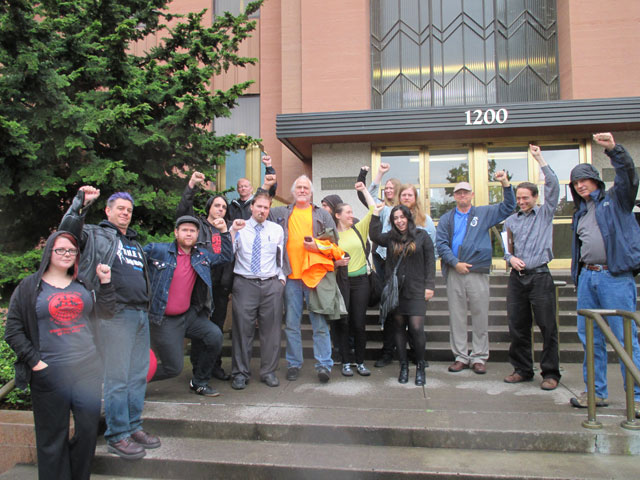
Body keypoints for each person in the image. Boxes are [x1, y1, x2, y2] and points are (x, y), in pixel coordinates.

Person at [59, 187, 159, 460]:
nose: (125, 213)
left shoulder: (135, 244)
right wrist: (80, 204)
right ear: (108, 211)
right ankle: (117, 434)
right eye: (120, 209)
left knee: (137, 374)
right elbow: (66, 233)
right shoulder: (95, 234)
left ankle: (133, 425)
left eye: (129, 210)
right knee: (118, 377)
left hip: (140, 315)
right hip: (114, 314)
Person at [5, 231, 115, 480]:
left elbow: (106, 314)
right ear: (49, 253)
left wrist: (106, 283)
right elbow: (13, 330)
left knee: (88, 432)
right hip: (50, 373)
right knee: (52, 438)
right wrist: (36, 362)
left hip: (86, 369)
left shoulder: (83, 284)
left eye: (72, 251)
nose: (67, 255)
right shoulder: (30, 287)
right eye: (61, 250)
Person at [568, 132, 640, 416]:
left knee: (626, 338)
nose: (580, 185)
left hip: (615, 277)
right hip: (588, 278)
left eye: (584, 179)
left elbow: (628, 176)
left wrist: (613, 150)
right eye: (575, 182)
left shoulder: (617, 200)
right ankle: (596, 394)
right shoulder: (579, 213)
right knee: (590, 339)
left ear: (596, 180)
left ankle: (636, 396)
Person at [143, 215, 232, 396]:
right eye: (185, 230)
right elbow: (135, 264)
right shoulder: (157, 251)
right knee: (173, 368)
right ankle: (133, 382)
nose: (189, 233)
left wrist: (224, 232)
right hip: (165, 319)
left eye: (192, 231)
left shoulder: (200, 256)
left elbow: (225, 256)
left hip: (189, 316)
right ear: (176, 233)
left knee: (214, 336)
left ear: (198, 234)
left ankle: (199, 382)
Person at [436, 172, 514, 374]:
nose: (462, 195)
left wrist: (505, 184)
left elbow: (508, 207)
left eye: (466, 192)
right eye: (458, 193)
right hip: (455, 271)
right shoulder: (446, 218)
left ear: (472, 195)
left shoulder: (483, 213)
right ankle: (461, 356)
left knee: (480, 315)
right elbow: (441, 244)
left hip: (477, 271)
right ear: (454, 196)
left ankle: (479, 356)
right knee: (457, 316)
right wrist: (455, 263)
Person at [502, 145, 561, 390]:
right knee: (517, 326)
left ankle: (550, 374)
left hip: (540, 277)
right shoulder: (510, 220)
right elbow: (506, 248)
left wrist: (539, 159)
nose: (522, 201)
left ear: (535, 198)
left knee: (547, 326)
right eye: (519, 198)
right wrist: (510, 259)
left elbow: (554, 185)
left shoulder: (545, 213)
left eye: (526, 197)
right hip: (517, 279)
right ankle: (523, 369)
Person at [268, 175, 336, 383]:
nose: (303, 190)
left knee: (320, 325)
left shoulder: (322, 214)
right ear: (293, 191)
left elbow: (335, 243)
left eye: (306, 187)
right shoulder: (280, 213)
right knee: (291, 324)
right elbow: (257, 208)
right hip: (290, 277)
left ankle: (324, 364)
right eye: (299, 187)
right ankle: (294, 363)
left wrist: (317, 246)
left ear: (311, 191)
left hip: (314, 277)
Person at [370, 204, 436, 385]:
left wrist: (430, 285)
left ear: (408, 217)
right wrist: (376, 214)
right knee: (398, 328)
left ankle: (420, 366)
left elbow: (430, 262)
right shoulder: (391, 238)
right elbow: (374, 236)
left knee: (416, 328)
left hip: (417, 290)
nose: (399, 221)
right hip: (396, 292)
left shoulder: (422, 237)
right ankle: (404, 366)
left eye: (402, 217)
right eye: (396, 218)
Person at [177, 176, 235, 381]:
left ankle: (215, 367)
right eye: (217, 205)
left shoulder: (226, 229)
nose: (221, 209)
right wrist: (191, 186)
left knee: (217, 328)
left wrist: (229, 286)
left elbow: (229, 258)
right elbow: (183, 210)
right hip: (201, 287)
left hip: (220, 288)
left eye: (224, 207)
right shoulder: (198, 225)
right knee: (201, 329)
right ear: (209, 207)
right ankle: (198, 369)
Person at [229, 192, 285, 390]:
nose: (262, 210)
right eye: (259, 206)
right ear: (251, 207)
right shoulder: (239, 228)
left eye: (266, 207)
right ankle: (240, 373)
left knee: (271, 332)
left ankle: (268, 372)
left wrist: (281, 279)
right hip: (245, 283)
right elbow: (229, 253)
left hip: (271, 285)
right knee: (242, 330)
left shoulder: (277, 229)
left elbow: (281, 257)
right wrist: (232, 232)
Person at [331, 182, 377, 377]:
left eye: (352, 212)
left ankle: (360, 361)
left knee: (358, 323)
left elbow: (374, 209)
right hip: (341, 282)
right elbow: (325, 262)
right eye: (347, 212)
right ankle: (346, 362)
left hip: (361, 283)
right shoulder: (331, 236)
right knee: (344, 322)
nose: (351, 215)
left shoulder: (359, 228)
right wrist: (336, 264)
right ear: (338, 215)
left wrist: (364, 190)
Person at [227, 155, 278, 221]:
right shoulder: (232, 206)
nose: (243, 188)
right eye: (240, 186)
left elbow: (270, 184)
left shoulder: (258, 199)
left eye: (245, 186)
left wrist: (268, 166)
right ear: (237, 190)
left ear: (251, 188)